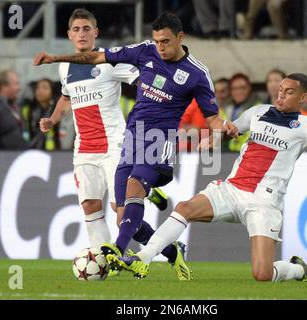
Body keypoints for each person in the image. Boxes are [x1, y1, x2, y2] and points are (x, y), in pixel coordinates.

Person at [109, 73, 307, 280]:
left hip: (264, 202)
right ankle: (142, 258)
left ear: (303, 97)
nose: (280, 95)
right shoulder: (257, 112)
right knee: (184, 208)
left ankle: (300, 270)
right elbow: (230, 127)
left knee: (262, 274)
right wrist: (215, 137)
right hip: (231, 190)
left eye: (289, 92)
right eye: (279, 90)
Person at [34, 11, 239, 280]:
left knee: (132, 188)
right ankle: (171, 251)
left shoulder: (197, 74)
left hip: (156, 140)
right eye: (157, 42)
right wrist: (55, 59)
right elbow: (97, 57)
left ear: (180, 37)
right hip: (130, 138)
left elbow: (212, 118)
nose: (160, 47)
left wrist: (224, 126)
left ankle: (116, 251)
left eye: (165, 41)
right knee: (123, 219)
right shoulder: (144, 51)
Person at [37, 9, 171, 270]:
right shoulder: (65, 66)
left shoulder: (110, 61)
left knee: (121, 215)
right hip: (84, 148)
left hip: (114, 145)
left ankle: (165, 240)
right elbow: (67, 97)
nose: (81, 33)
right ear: (69, 35)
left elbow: (143, 81)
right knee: (89, 205)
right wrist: (52, 120)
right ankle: (104, 261)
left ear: (95, 33)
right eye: (76, 29)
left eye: (86, 28)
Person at [21, 78, 60, 150]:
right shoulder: (27, 110)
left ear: (52, 92)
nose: (40, 91)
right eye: (37, 88)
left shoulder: (58, 111)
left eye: (45, 88)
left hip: (56, 152)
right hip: (32, 151)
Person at [225, 73, 260, 152]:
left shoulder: (258, 109)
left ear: (249, 89)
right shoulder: (225, 109)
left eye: (243, 88)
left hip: (248, 155)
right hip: (227, 153)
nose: (239, 92)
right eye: (234, 89)